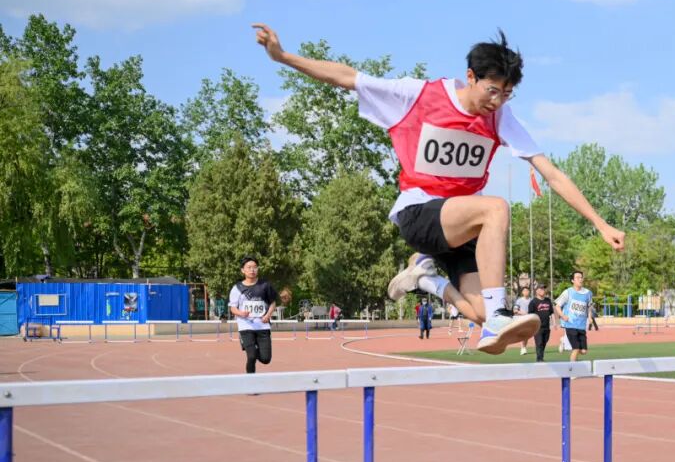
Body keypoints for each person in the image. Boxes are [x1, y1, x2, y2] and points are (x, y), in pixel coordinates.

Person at [253, 24, 624, 354]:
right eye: (492, 91)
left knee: (480, 315)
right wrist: (282, 57)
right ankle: (498, 313)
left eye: (507, 94)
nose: (496, 102)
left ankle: (427, 279)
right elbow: (350, 78)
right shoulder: (419, 95)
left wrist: (599, 222)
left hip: (461, 226)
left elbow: (551, 173)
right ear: (470, 77)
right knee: (496, 208)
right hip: (419, 213)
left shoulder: (500, 117)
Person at [228, 256, 278, 374]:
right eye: (249, 267)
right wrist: (241, 313)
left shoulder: (265, 285)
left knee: (266, 359)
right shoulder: (237, 288)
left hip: (262, 325)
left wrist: (268, 315)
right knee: (251, 356)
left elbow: (273, 303)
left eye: (255, 267)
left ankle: (254, 349)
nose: (252, 270)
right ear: (243, 270)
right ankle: (250, 380)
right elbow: (233, 308)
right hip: (245, 326)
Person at [554, 271, 593, 362]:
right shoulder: (568, 292)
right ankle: (572, 369)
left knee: (583, 351)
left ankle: (564, 341)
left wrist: (590, 317)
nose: (580, 279)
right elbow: (557, 306)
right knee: (576, 349)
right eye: (577, 277)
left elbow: (589, 306)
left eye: (581, 277)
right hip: (570, 324)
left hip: (581, 325)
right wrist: (563, 316)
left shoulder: (588, 293)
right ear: (572, 280)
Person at [527, 284, 554, 362]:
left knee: (545, 341)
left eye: (544, 289)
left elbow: (551, 312)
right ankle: (539, 359)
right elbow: (530, 315)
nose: (543, 290)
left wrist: (554, 323)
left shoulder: (548, 300)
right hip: (537, 326)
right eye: (541, 289)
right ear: (537, 291)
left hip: (546, 326)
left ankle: (540, 356)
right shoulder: (533, 302)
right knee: (539, 343)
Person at [513, 287, 532, 355]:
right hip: (521, 319)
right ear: (522, 292)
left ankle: (523, 347)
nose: (526, 292)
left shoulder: (532, 300)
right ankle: (523, 348)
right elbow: (515, 310)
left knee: (526, 335)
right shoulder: (519, 301)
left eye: (527, 290)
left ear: (529, 292)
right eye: (524, 291)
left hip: (529, 319)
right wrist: (523, 313)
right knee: (524, 334)